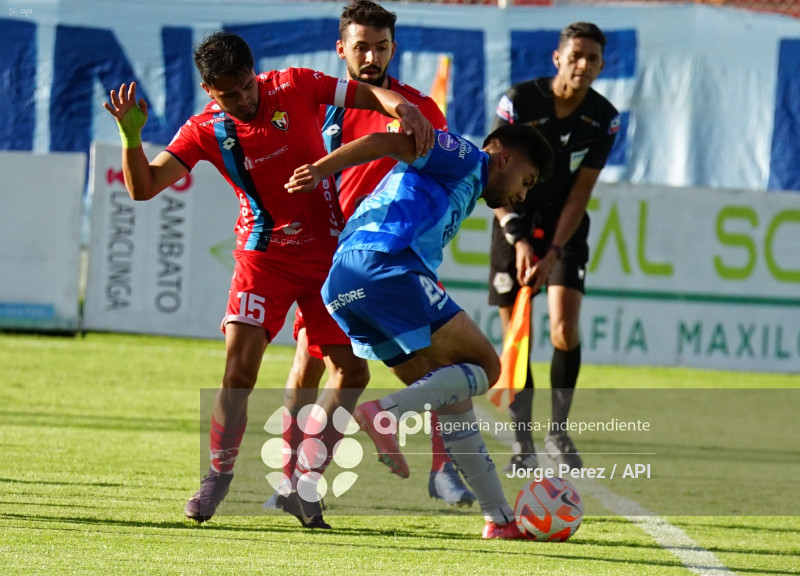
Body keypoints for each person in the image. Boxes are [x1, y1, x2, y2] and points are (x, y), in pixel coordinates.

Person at [102, 31, 434, 528]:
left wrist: (399, 104)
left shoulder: (294, 85)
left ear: (255, 72)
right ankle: (217, 477)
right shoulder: (203, 131)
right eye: (227, 94)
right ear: (208, 90)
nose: (241, 100)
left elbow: (364, 93)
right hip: (264, 259)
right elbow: (143, 187)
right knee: (239, 374)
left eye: (245, 88)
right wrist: (130, 136)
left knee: (353, 372)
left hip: (326, 256)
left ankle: (305, 483)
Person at [285, 123, 553, 539]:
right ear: (505, 158)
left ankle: (499, 520)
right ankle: (385, 414)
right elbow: (386, 142)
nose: (522, 195)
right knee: (487, 365)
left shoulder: (464, 184)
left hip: (343, 283)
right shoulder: (467, 157)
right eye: (527, 181)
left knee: (452, 398)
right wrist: (321, 169)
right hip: (382, 265)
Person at [280, 0, 475, 509]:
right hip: (320, 249)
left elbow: (437, 176)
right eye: (360, 46)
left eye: (381, 47)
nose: (371, 56)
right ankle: (293, 478)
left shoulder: (417, 109)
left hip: (384, 257)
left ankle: (444, 468)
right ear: (340, 48)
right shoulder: (317, 103)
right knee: (311, 364)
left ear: (394, 48)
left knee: (435, 362)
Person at [488, 22, 620, 472]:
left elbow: (582, 191)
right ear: (557, 58)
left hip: (564, 230)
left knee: (564, 330)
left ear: (602, 66)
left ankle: (558, 433)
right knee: (517, 336)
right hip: (515, 222)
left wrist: (553, 251)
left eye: (594, 59)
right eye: (576, 55)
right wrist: (518, 238)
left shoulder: (604, 117)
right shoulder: (519, 101)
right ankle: (522, 446)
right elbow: (494, 177)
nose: (584, 65)